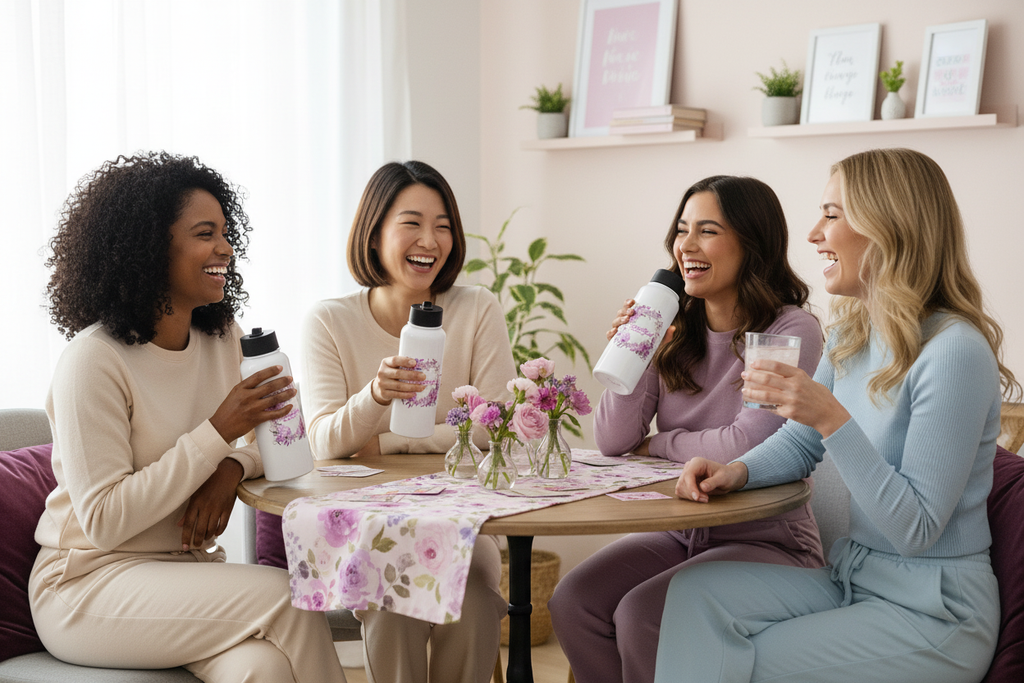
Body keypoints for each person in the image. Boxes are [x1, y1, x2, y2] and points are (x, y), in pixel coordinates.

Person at [658, 148, 1019, 683]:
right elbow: (802, 443)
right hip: (857, 577)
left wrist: (833, 419)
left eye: (831, 215)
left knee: (746, 663)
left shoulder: (954, 352)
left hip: (935, 612)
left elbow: (916, 529)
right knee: (691, 594)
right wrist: (735, 472)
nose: (812, 234)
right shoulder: (854, 333)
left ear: (888, 226)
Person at [28, 152, 346, 682]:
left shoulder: (222, 339)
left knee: (261, 670)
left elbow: (286, 442)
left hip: (185, 575)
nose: (225, 248)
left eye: (225, 232)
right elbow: (105, 521)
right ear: (151, 248)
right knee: (289, 598)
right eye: (205, 233)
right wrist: (217, 432)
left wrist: (231, 468)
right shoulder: (93, 360)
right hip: (87, 585)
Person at [549, 175, 826, 683]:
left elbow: (747, 443)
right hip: (683, 533)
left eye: (708, 231)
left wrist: (656, 444)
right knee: (573, 601)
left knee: (643, 613)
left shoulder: (787, 330)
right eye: (681, 229)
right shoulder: (674, 324)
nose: (686, 245)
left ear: (752, 243)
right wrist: (638, 353)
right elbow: (612, 442)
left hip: (768, 541)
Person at [256, 160, 515, 683]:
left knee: (473, 607)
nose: (431, 240)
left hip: (462, 519)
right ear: (374, 236)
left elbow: (495, 426)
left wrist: (384, 442)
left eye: (443, 225)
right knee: (392, 604)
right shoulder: (330, 321)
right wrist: (375, 396)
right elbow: (324, 441)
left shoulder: (477, 309)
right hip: (367, 527)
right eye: (412, 223)